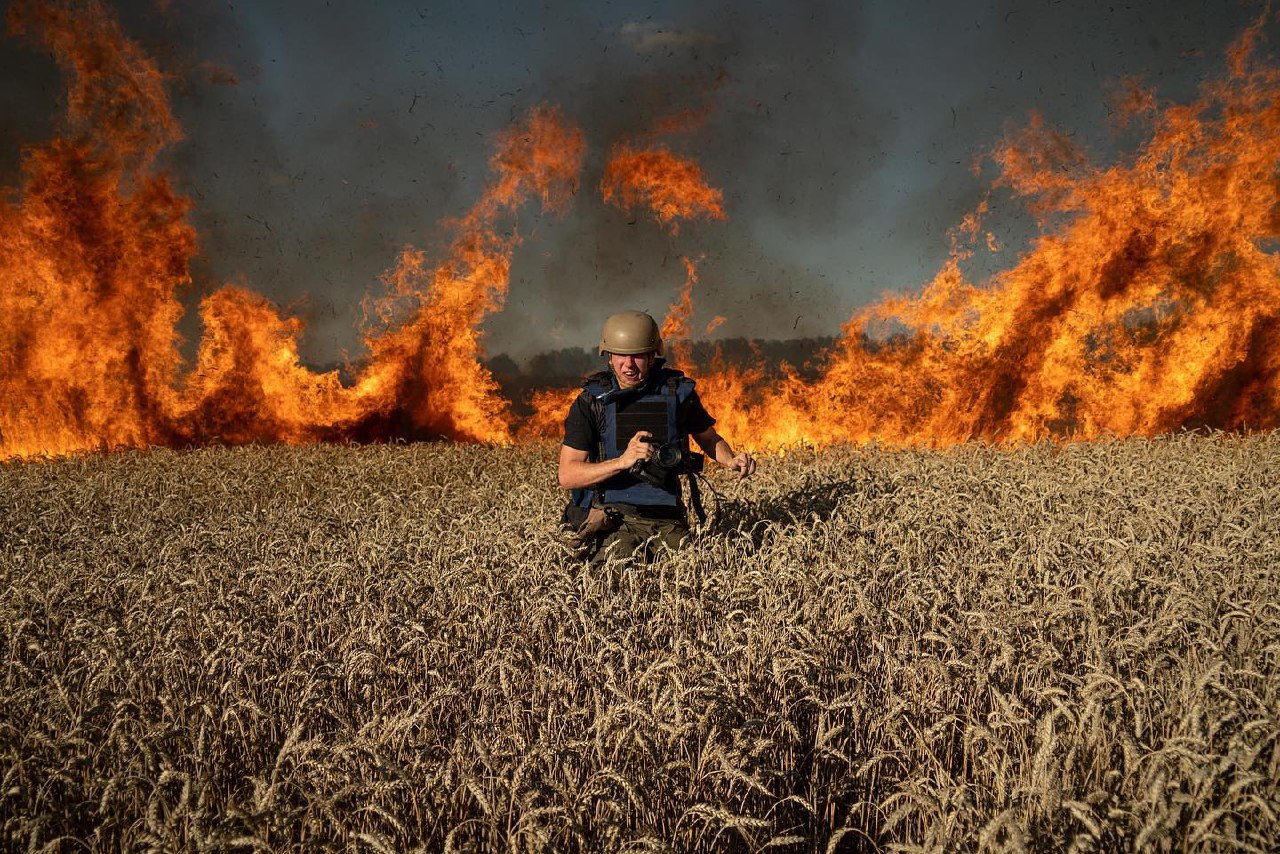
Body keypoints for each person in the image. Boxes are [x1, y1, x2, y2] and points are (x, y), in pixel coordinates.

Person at [558, 310, 756, 564]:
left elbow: (707, 437)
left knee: (696, 574)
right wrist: (622, 461)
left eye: (638, 355)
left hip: (667, 518)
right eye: (620, 355)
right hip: (613, 518)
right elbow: (568, 475)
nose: (628, 365)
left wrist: (730, 460)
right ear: (608, 356)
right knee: (615, 579)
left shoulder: (676, 393)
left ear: (653, 356)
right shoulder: (591, 402)